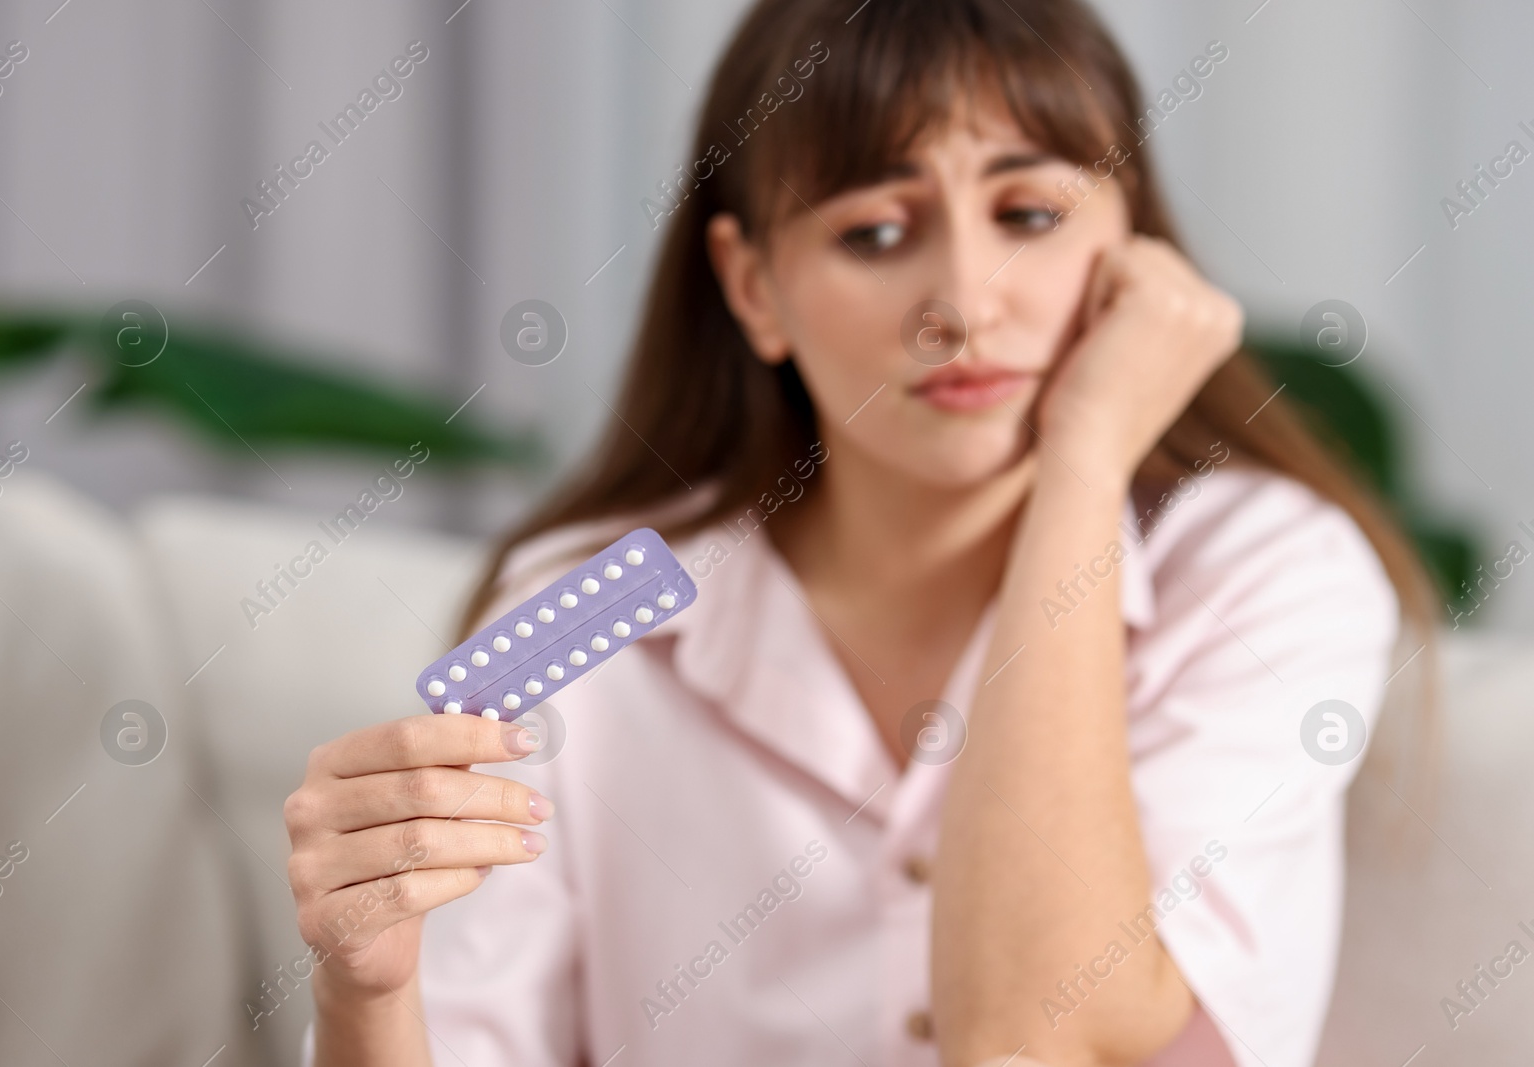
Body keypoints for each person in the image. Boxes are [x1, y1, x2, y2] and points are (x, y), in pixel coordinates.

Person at [285, 1, 1437, 1063]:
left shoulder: (1265, 576)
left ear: (1133, 248)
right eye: (877, 233)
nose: (965, 303)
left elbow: (1038, 1036)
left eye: (1029, 213)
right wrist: (369, 991)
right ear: (752, 289)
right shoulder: (578, 617)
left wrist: (1083, 468)